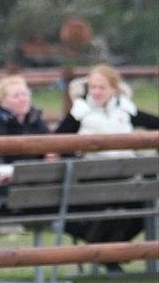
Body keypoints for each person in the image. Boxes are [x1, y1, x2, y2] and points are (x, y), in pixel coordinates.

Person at [54, 64, 159, 269]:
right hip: (91, 184)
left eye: (101, 87)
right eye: (92, 87)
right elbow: (57, 142)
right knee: (118, 209)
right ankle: (107, 252)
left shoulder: (126, 109)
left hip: (125, 182)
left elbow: (154, 123)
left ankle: (105, 251)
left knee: (142, 206)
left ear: (114, 88)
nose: (96, 92)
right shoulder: (79, 113)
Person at [0, 75, 51, 162]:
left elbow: (51, 146)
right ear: (1, 100)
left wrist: (51, 154)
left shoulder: (35, 120)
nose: (22, 99)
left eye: (25, 94)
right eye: (16, 96)